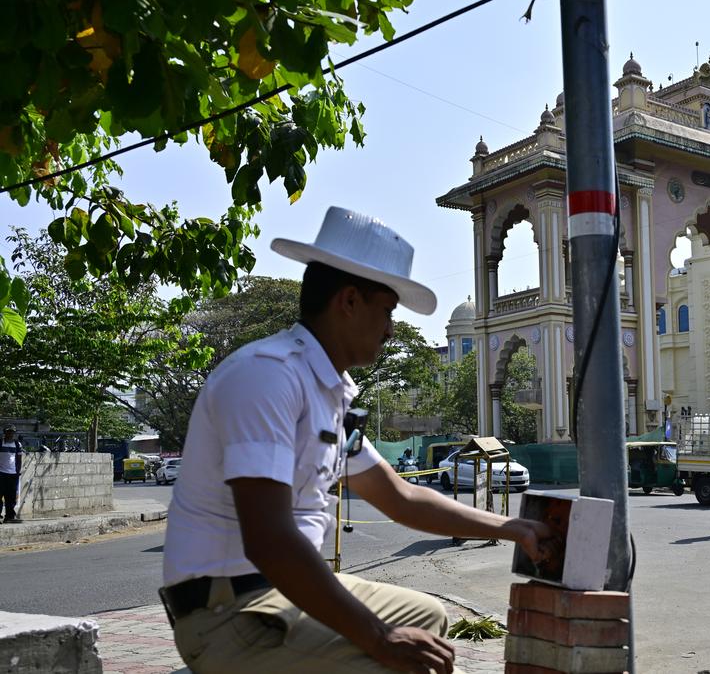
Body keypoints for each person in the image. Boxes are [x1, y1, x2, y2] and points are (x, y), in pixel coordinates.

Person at [160, 207, 556, 674]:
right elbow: (269, 541)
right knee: (403, 662)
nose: (391, 329)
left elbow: (401, 496)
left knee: (429, 618)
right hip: (228, 611)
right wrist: (379, 636)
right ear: (349, 301)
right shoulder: (267, 378)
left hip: (278, 592)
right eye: (387, 311)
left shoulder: (326, 393)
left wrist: (507, 528)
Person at [1, 425, 22, 523]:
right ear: (5, 433)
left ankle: (9, 517)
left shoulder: (17, 444)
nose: (10, 434)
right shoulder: (0, 443)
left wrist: (17, 472)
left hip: (12, 474)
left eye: (12, 432)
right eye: (8, 432)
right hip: (1, 473)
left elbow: (19, 459)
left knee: (11, 497)